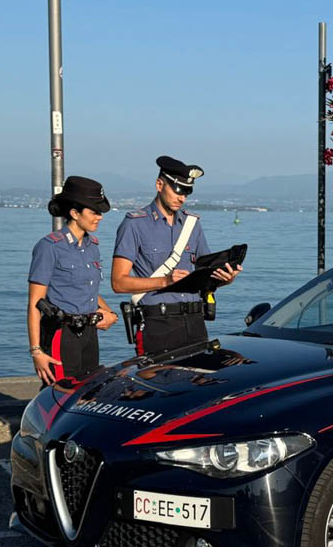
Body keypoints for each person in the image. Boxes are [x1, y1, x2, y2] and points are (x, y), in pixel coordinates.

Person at [111, 155, 241, 356]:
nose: (182, 197)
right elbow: (119, 283)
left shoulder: (193, 224)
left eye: (187, 192)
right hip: (157, 324)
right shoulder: (134, 224)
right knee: (156, 384)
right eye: (178, 189)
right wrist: (164, 281)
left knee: (199, 384)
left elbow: (203, 276)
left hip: (195, 322)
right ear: (159, 184)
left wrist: (225, 279)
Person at [28, 176, 119, 385]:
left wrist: (109, 312)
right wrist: (36, 351)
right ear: (75, 213)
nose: (100, 217)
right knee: (60, 393)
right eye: (94, 212)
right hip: (62, 334)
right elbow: (35, 302)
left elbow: (89, 291)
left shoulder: (92, 246)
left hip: (89, 333)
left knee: (88, 394)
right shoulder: (49, 247)